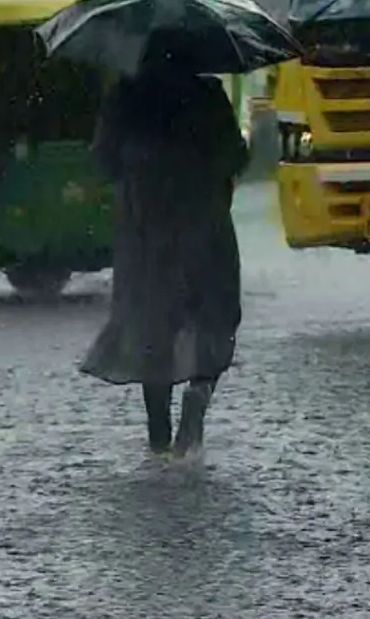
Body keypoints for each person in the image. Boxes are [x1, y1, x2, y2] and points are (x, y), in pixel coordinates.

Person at [80, 36, 247, 457]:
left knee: (152, 328)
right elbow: (235, 156)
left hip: (146, 232)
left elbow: (102, 161)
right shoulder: (207, 94)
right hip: (204, 226)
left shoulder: (126, 96)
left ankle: (158, 437)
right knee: (214, 316)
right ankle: (200, 395)